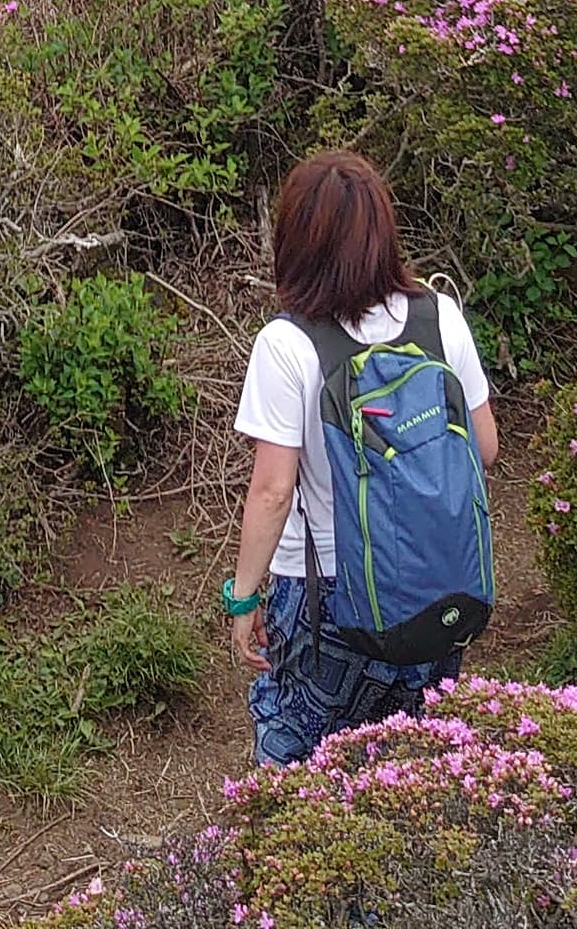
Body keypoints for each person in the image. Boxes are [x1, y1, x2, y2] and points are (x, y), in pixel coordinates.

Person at [223, 149, 499, 765]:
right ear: (383, 233)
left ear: (295, 241)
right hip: (436, 588)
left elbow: (272, 490)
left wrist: (243, 601)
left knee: (299, 767)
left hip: (328, 601)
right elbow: (485, 447)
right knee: (411, 764)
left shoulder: (288, 344)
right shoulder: (438, 317)